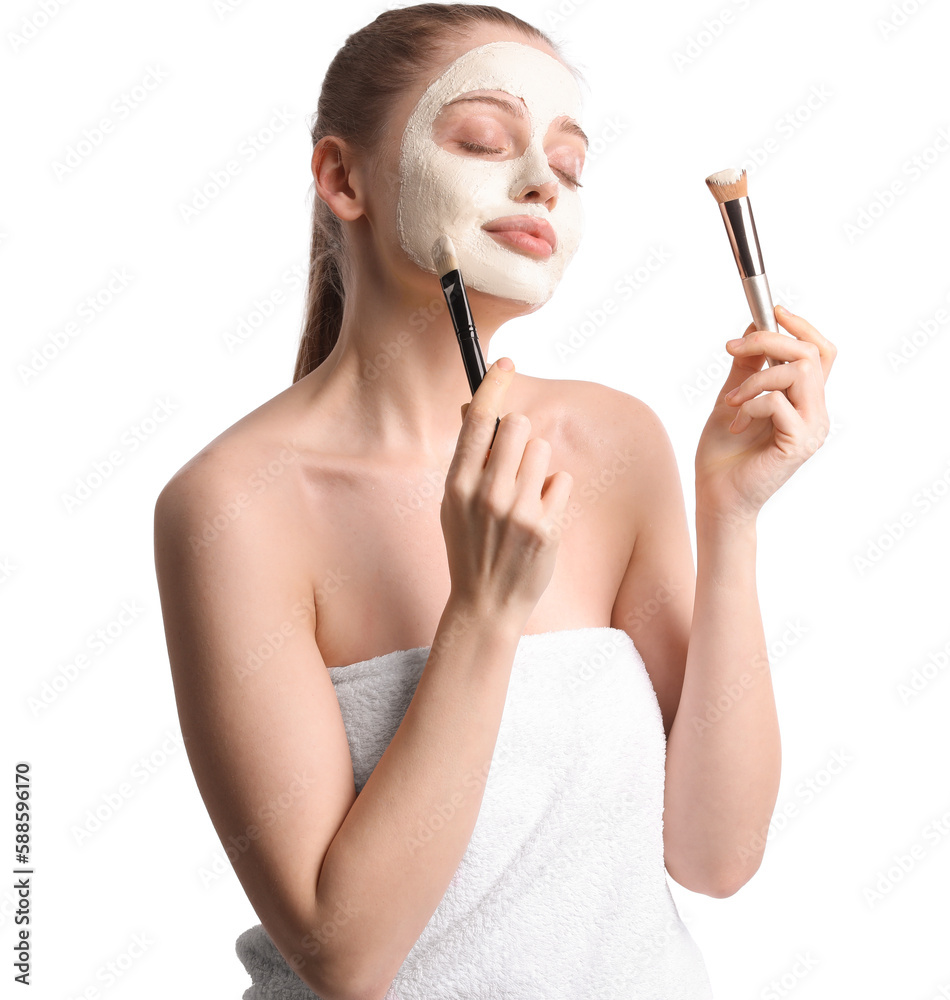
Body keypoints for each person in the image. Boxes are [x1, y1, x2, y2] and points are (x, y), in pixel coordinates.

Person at [153, 4, 837, 998]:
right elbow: (344, 956)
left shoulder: (616, 443)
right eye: (481, 140)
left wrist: (728, 516)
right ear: (342, 178)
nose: (538, 183)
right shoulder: (231, 507)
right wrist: (480, 610)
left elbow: (713, 854)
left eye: (567, 164)